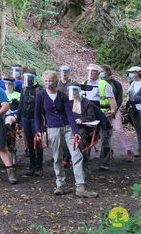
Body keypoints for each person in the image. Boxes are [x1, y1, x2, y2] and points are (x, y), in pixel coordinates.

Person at [34, 70, 98, 198]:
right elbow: (37, 115)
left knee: (77, 155)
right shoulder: (40, 95)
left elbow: (69, 114)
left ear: (56, 82)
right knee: (57, 157)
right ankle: (60, 185)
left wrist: (75, 132)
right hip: (53, 129)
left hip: (68, 127)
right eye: (46, 81)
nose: (48, 83)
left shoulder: (62, 96)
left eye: (50, 81)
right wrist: (38, 131)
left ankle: (80, 187)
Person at [84, 64, 116, 171]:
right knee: (86, 138)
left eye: (92, 71)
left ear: (97, 73)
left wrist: (112, 111)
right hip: (89, 115)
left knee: (105, 138)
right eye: (89, 71)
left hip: (103, 114)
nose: (90, 73)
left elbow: (112, 100)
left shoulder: (104, 84)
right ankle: (85, 163)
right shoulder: (84, 83)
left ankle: (104, 163)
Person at [100, 65, 134, 163]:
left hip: (114, 110)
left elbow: (119, 99)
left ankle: (129, 151)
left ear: (108, 72)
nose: (101, 73)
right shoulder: (99, 83)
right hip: (102, 111)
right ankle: (108, 151)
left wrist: (113, 110)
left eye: (102, 71)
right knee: (105, 132)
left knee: (119, 129)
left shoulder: (116, 84)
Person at [17, 69, 43, 176]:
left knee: (38, 142)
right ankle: (32, 165)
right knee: (30, 143)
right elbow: (21, 105)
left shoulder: (39, 89)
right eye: (26, 77)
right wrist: (18, 120)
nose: (28, 80)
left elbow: (42, 107)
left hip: (35, 119)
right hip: (25, 118)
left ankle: (39, 167)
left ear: (34, 77)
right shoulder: (24, 89)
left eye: (30, 77)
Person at [67, 84, 98, 165]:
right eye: (72, 90)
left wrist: (81, 120)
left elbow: (92, 116)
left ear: (79, 91)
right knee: (63, 134)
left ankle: (84, 161)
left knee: (80, 135)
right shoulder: (68, 102)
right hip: (70, 126)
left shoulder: (86, 103)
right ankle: (66, 158)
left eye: (75, 90)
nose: (73, 92)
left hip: (83, 127)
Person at [126, 66, 141, 157]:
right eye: (130, 72)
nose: (130, 74)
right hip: (133, 109)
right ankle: (140, 149)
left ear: (138, 72)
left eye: (133, 72)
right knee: (138, 130)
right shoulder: (132, 82)